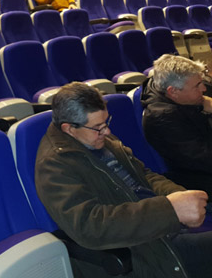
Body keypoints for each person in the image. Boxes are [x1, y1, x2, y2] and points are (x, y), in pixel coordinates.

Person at [36, 81, 212, 278]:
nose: (107, 132)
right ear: (69, 129)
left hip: (161, 226)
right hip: (142, 248)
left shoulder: (94, 137)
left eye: (106, 123)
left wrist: (178, 195)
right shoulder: (54, 166)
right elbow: (89, 226)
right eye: (98, 127)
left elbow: (144, 175)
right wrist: (170, 210)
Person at [142, 55, 212, 195]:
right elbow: (204, 159)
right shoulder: (162, 118)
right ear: (173, 91)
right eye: (197, 86)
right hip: (196, 180)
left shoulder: (187, 91)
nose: (204, 89)